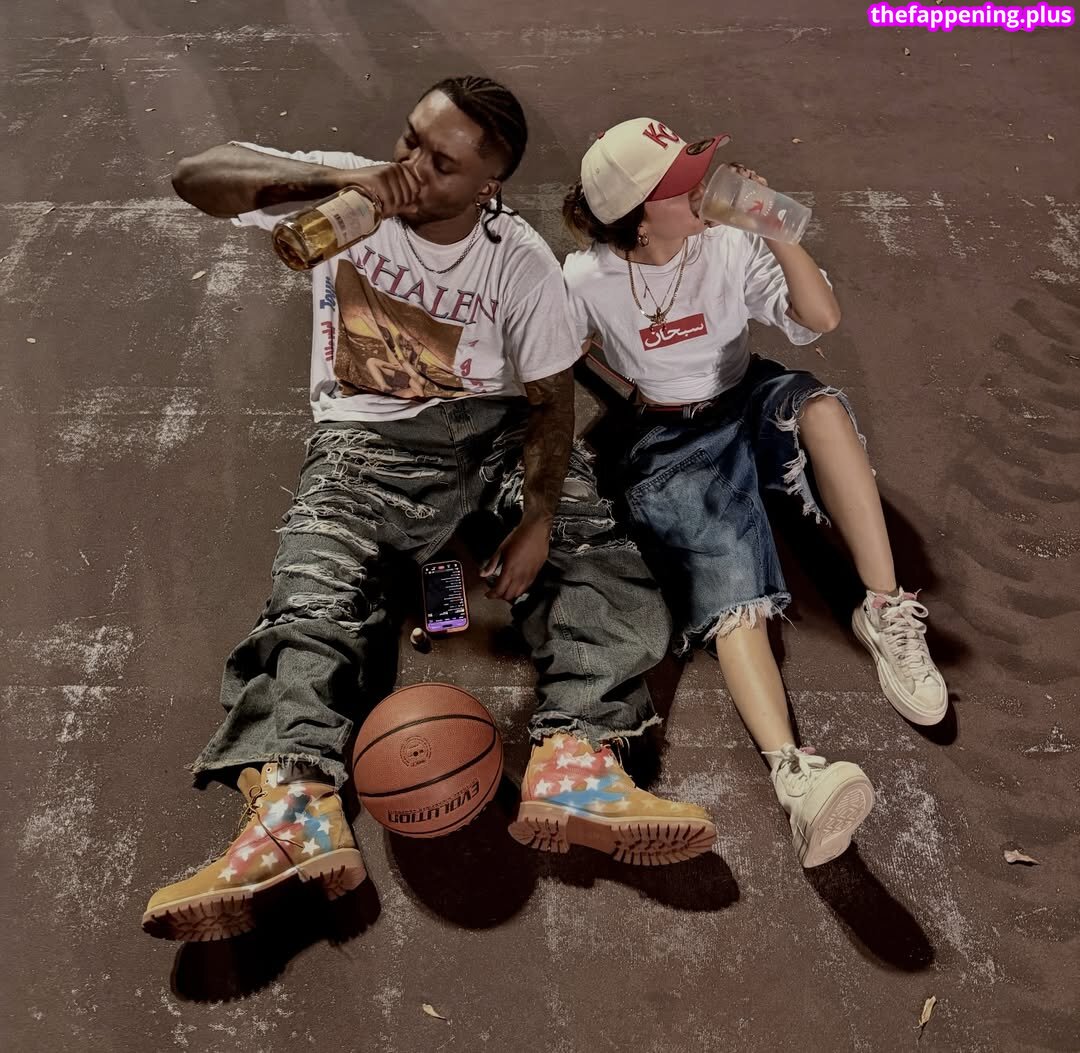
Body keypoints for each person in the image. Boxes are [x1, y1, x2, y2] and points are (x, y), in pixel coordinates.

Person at [142, 81, 718, 943]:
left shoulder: (519, 260)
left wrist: (537, 519)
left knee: (600, 548)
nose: (412, 166)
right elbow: (196, 176)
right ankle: (297, 806)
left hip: (492, 430)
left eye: (440, 163)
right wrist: (346, 182)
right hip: (364, 441)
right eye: (409, 140)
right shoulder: (344, 191)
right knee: (311, 595)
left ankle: (577, 757)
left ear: (488, 185)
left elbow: (551, 400)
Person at [561, 118, 948, 868]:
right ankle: (795, 777)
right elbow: (546, 354)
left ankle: (883, 609)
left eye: (699, 175)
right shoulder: (585, 279)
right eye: (683, 187)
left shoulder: (727, 244)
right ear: (637, 216)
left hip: (745, 396)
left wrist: (779, 232)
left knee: (821, 408)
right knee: (732, 579)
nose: (705, 190)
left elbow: (820, 318)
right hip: (670, 438)